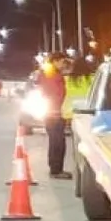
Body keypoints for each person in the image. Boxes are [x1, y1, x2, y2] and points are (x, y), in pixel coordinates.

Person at [38, 52, 71, 180]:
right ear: (55, 61)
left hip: (53, 113)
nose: (64, 65)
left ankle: (56, 169)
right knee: (58, 143)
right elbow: (56, 95)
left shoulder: (50, 73)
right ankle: (56, 170)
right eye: (62, 62)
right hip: (54, 114)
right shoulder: (52, 75)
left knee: (56, 142)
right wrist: (60, 111)